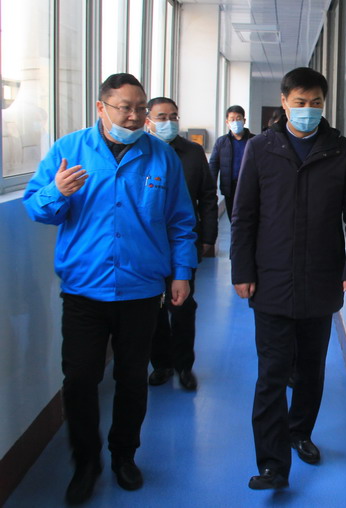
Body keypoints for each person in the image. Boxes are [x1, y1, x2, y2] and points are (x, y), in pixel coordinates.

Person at [23, 73, 197, 504]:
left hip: (141, 290)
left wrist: (182, 273)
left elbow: (180, 220)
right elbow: (36, 208)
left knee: (132, 378)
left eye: (140, 108)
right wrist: (56, 191)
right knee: (80, 379)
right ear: (101, 108)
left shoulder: (161, 157)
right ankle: (86, 464)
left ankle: (124, 455)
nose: (135, 116)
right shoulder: (69, 150)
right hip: (84, 289)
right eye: (125, 108)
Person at [231, 67, 346, 490]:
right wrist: (242, 270)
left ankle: (300, 432)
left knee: (311, 369)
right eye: (300, 102)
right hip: (270, 277)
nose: (308, 109)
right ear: (284, 101)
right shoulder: (261, 148)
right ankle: (272, 465)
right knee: (272, 373)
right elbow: (244, 215)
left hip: (321, 277)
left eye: (316, 103)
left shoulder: (341, 151)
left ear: (324, 104)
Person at [145, 97, 218, 392]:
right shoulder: (142, 152)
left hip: (183, 244)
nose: (169, 122)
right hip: (148, 246)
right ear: (148, 120)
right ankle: (162, 364)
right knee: (153, 310)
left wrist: (208, 237)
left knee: (183, 306)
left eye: (173, 116)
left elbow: (207, 196)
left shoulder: (192, 152)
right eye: (162, 117)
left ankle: (184, 366)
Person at [209, 105, 255, 219]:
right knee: (233, 217)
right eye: (232, 119)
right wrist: (210, 188)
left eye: (238, 119)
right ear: (227, 122)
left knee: (250, 217)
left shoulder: (254, 140)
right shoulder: (221, 142)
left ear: (244, 120)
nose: (235, 122)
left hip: (249, 186)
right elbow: (213, 165)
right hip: (230, 187)